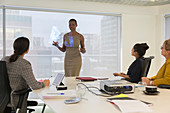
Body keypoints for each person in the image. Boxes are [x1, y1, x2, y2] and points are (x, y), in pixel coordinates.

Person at [1, 37, 50, 113]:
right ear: (27, 50)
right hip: (15, 100)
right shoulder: (24, 64)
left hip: (3, 100)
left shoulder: (4, 60)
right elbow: (35, 86)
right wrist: (44, 83)